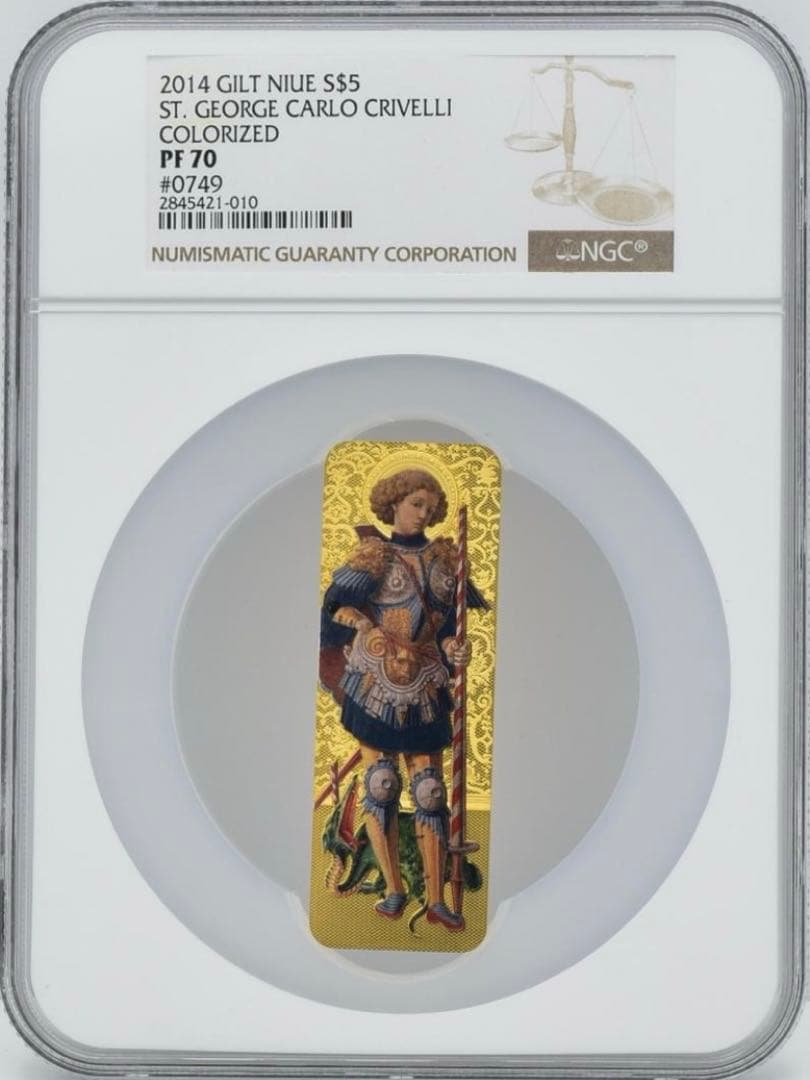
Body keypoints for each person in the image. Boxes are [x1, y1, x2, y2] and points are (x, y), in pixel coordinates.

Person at [320, 468, 487, 931]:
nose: (423, 514)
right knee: (381, 785)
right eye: (416, 503)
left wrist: (455, 647)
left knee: (430, 792)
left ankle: (436, 900)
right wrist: (359, 622)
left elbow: (449, 626)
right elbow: (332, 610)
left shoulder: (444, 560)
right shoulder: (372, 556)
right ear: (393, 503)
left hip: (425, 684)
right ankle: (393, 889)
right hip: (376, 679)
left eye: (430, 508)